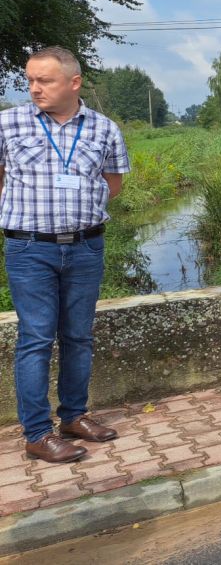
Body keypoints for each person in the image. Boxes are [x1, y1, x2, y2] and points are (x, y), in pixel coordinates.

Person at [2, 47, 130, 462]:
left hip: (85, 246)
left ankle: (74, 416)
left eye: (45, 80)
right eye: (30, 80)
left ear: (74, 83)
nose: (34, 88)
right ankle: (38, 434)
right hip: (29, 247)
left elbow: (113, 184)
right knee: (36, 338)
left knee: (78, 335)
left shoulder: (104, 129)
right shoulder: (8, 123)